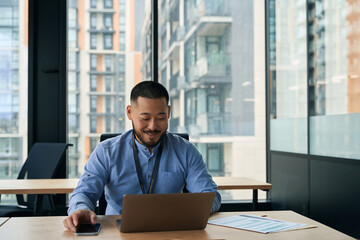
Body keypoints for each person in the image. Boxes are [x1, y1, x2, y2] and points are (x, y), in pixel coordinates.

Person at [63, 81, 221, 232]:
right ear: (130, 113)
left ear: (169, 112)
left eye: (161, 118)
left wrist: (184, 213)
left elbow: (209, 196)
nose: (153, 126)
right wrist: (81, 208)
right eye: (145, 118)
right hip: (118, 234)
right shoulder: (106, 151)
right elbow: (84, 192)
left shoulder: (186, 151)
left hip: (171, 232)